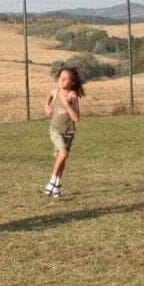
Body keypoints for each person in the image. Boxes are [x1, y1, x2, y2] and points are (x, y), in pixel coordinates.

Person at [43, 66, 84, 198]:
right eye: (61, 77)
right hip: (55, 129)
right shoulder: (55, 92)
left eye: (66, 79)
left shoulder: (73, 96)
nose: (62, 80)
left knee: (61, 158)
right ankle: (51, 182)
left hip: (68, 132)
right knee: (63, 153)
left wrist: (68, 104)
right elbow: (49, 96)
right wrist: (46, 106)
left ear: (72, 82)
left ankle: (57, 186)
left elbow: (76, 118)